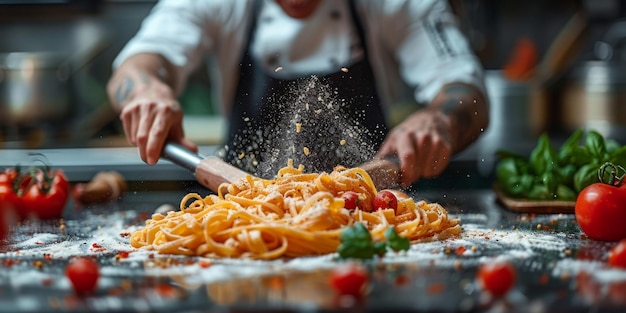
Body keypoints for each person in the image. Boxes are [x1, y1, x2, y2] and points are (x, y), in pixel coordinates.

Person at [107, 0, 489, 188]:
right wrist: (145, 91)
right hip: (243, 229)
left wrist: (439, 119)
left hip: (371, 221)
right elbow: (138, 63)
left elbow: (465, 89)